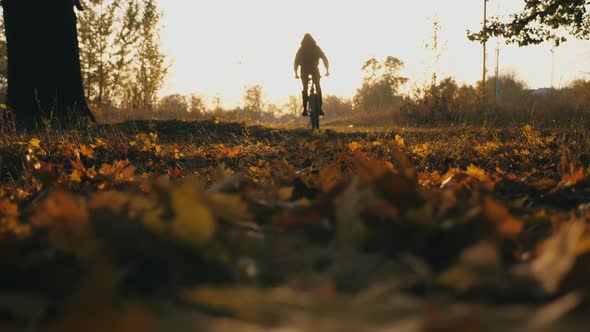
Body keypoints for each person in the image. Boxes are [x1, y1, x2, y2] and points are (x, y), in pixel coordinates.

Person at [294, 33, 329, 116]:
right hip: (314, 69)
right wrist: (327, 70)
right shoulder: (316, 48)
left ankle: (305, 109)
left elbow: (296, 62)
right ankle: (320, 108)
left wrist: (296, 73)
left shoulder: (301, 49)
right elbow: (324, 59)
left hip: (304, 71)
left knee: (305, 89)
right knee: (318, 87)